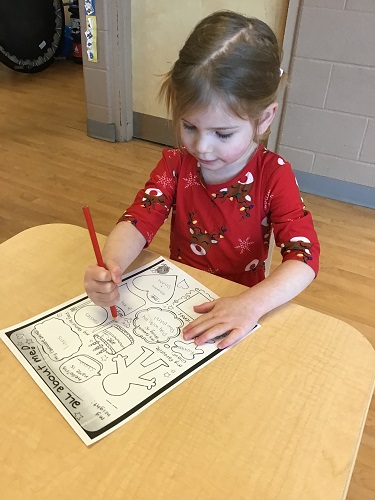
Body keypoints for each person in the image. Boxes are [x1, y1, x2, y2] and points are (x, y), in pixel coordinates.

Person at [84, 10, 320, 349]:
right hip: (180, 298)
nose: (201, 147)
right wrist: (112, 265)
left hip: (239, 305)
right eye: (190, 126)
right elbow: (138, 220)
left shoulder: (273, 175)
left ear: (265, 118)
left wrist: (251, 304)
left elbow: (305, 258)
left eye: (222, 133)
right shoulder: (176, 163)